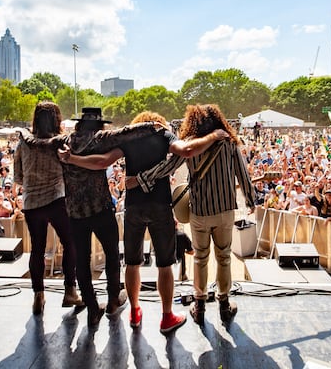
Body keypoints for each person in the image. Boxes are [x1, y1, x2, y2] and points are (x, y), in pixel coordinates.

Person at [60, 111, 224, 333]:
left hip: (134, 207)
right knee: (165, 265)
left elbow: (102, 162)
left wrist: (72, 159)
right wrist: (214, 135)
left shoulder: (129, 140)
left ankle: (135, 312)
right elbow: (186, 150)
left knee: (132, 262)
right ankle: (167, 317)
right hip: (160, 206)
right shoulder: (163, 135)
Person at [22, 106, 161, 329]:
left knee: (82, 261)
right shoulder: (100, 139)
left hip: (75, 212)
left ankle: (92, 307)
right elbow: (126, 132)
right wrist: (151, 126)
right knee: (112, 255)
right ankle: (114, 299)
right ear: (99, 124)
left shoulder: (63, 141)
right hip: (101, 208)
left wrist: (24, 133)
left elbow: (37, 143)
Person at [135, 104, 256, 326]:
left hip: (200, 212)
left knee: (201, 258)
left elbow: (167, 166)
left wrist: (142, 178)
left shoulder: (190, 144)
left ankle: (199, 306)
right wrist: (250, 199)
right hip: (225, 210)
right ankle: (224, 303)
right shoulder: (228, 142)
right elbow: (242, 172)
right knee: (224, 257)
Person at [12, 101, 82, 314]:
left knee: (37, 249)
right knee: (71, 243)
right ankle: (70, 290)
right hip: (57, 199)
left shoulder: (23, 143)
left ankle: (38, 296)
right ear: (56, 119)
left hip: (32, 203)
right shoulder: (60, 143)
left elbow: (18, 176)